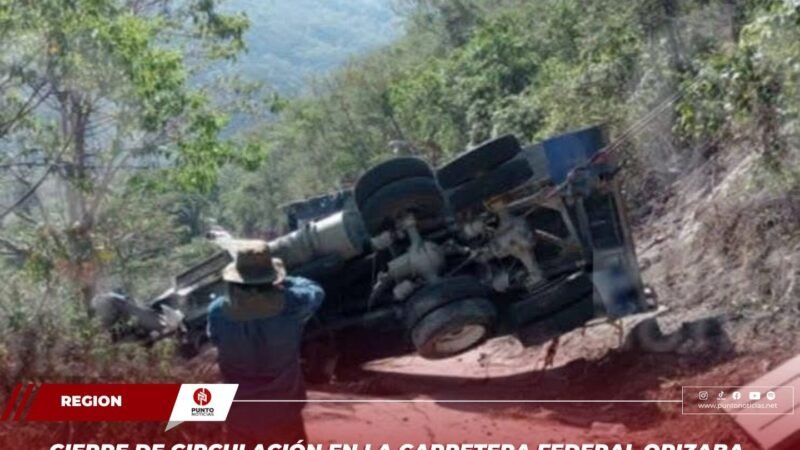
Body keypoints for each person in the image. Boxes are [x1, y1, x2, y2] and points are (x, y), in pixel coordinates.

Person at [207, 239, 325, 443]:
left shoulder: (217, 311)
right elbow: (315, 291)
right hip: (282, 413)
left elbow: (215, 339)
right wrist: (284, 281)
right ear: (271, 277)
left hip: (238, 413)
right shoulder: (291, 303)